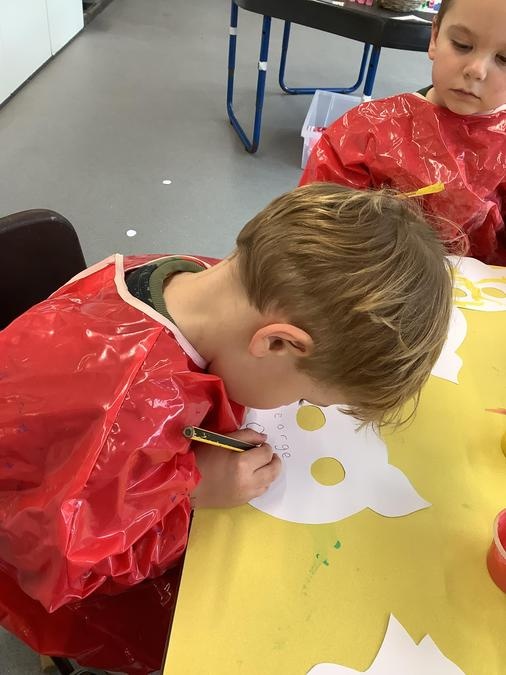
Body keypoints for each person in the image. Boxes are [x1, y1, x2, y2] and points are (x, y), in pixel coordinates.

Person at [0, 184, 453, 674]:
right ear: (276, 343)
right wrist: (190, 489)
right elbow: (68, 567)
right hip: (56, 570)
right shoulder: (126, 414)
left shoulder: (192, 276)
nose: (298, 406)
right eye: (305, 397)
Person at [300, 0, 506, 265]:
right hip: (376, 280)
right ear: (434, 37)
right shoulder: (366, 134)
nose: (476, 70)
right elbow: (315, 231)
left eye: (504, 59)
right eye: (462, 45)